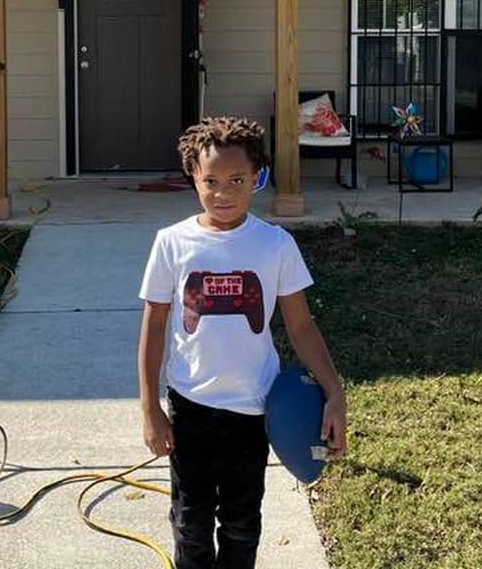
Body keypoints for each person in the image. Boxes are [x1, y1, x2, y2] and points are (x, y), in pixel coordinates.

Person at [137, 116, 347, 569]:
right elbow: (154, 326)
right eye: (210, 180)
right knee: (190, 524)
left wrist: (335, 392)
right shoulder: (171, 243)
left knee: (241, 522)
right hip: (189, 405)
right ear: (192, 176)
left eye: (236, 180)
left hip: (253, 409)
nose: (223, 192)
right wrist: (149, 407)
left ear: (258, 178)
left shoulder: (275, 245)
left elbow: (302, 327)